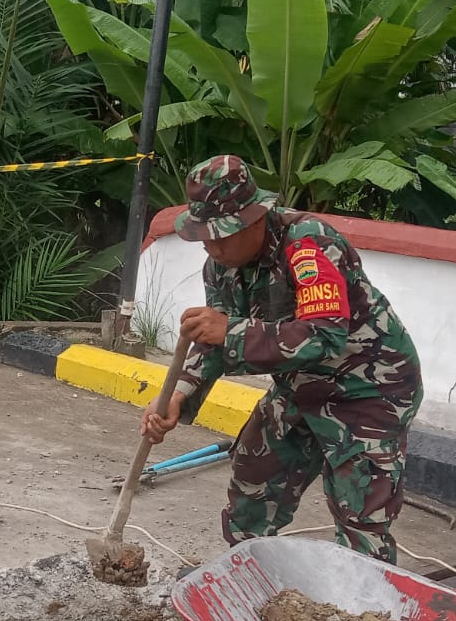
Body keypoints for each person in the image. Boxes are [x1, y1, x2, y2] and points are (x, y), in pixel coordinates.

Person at [140, 156, 424, 563]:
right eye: (204, 236)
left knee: (361, 512)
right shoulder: (220, 268)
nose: (212, 246)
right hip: (300, 384)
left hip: (369, 389)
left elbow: (326, 335)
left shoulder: (308, 244)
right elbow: (212, 340)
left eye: (222, 235)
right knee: (251, 483)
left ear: (255, 218)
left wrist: (231, 330)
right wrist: (179, 396)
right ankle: (248, 579)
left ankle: (367, 612)